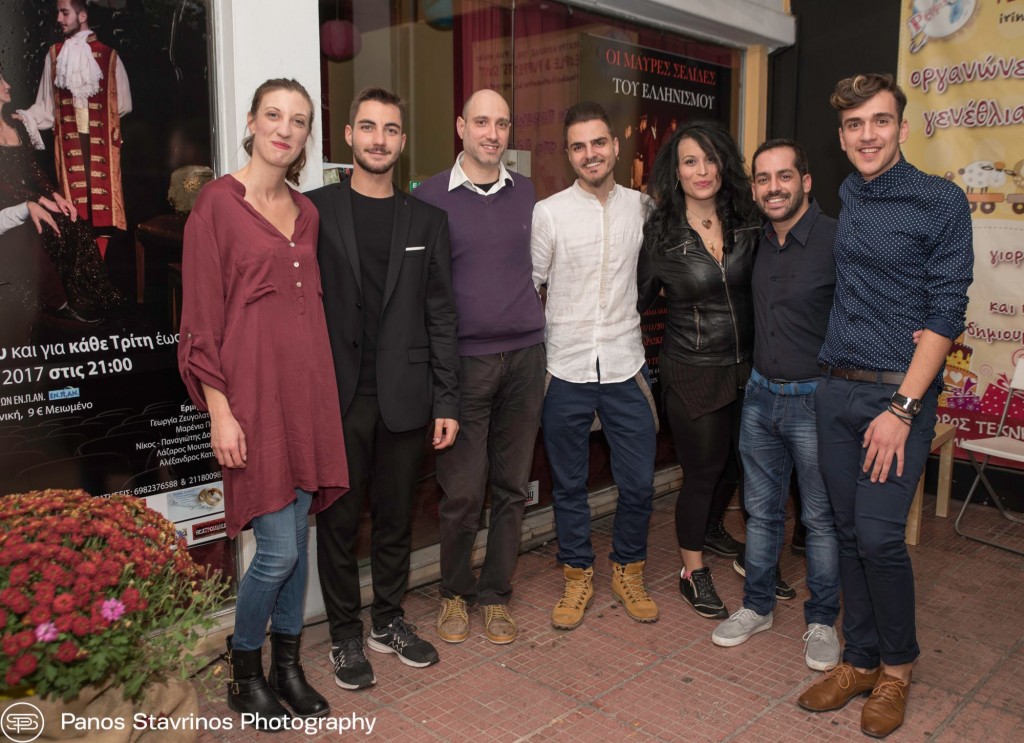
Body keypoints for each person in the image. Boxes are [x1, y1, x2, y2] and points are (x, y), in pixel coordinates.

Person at [796, 73, 972, 738]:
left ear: (902, 126)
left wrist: (902, 409)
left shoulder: (940, 200)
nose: (867, 135)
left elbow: (946, 311)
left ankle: (897, 668)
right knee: (846, 534)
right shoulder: (850, 193)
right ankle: (860, 660)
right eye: (854, 125)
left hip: (896, 395)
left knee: (877, 536)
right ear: (841, 136)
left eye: (879, 121)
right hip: (836, 386)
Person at [178, 78, 347, 728]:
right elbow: (200, 322)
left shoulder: (308, 213)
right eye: (273, 115)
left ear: (307, 136)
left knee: (296, 543)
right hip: (251, 403)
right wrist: (220, 411)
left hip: (307, 397)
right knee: (277, 551)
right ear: (250, 122)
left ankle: (288, 667)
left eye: (298, 120)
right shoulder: (216, 205)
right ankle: (244, 670)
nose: (285, 128)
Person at [310, 87, 459, 688]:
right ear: (349, 136)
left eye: (390, 129)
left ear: (402, 141)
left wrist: (447, 399)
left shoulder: (427, 220)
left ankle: (388, 621)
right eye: (368, 127)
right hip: (336, 398)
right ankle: (345, 636)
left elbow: (441, 314)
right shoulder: (313, 211)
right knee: (339, 523)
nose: (379, 139)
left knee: (397, 519)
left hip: (405, 395)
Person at [415, 89, 546, 646]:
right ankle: (454, 591)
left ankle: (495, 594)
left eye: (502, 124)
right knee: (464, 493)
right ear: (460, 127)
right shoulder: (428, 198)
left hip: (525, 359)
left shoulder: (530, 194)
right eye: (482, 122)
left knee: (512, 487)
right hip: (462, 365)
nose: (493, 134)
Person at [710, 139, 841, 673]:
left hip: (816, 401)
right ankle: (757, 606)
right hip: (761, 397)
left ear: (805, 181)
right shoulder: (755, 242)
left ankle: (823, 620)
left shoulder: (837, 240)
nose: (773, 188)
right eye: (763, 179)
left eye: (784, 176)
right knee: (760, 512)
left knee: (820, 519)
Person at [532, 101, 659, 630]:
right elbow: (532, 285)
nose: (591, 154)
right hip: (565, 367)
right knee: (569, 486)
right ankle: (577, 573)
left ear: (615, 146)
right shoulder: (549, 213)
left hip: (627, 364)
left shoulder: (643, 208)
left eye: (598, 143)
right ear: (569, 154)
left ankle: (628, 569)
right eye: (579, 146)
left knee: (639, 485)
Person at [637, 120, 758, 620]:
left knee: (738, 465)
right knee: (703, 472)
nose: (702, 170)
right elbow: (636, 302)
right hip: (691, 368)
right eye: (690, 161)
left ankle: (710, 529)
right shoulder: (661, 235)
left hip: (748, 368)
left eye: (710, 159)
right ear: (676, 171)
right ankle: (692, 570)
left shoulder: (747, 220)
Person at [1, 70, 122, 318]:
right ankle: (61, 303)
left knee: (73, 222)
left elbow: (34, 171)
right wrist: (39, 200)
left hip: (29, 197)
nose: (7, 85)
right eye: (0, 81)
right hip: (6, 203)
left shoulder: (17, 126)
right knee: (42, 229)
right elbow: (4, 185)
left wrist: (56, 196)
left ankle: (87, 299)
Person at [18, 0, 132, 234]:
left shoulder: (109, 56)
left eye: (65, 13)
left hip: (101, 144)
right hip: (70, 142)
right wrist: (25, 116)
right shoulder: (54, 55)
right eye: (58, 13)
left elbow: (122, 105)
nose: (59, 19)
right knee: (75, 211)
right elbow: (46, 107)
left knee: (103, 210)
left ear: (82, 16)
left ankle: (100, 255)